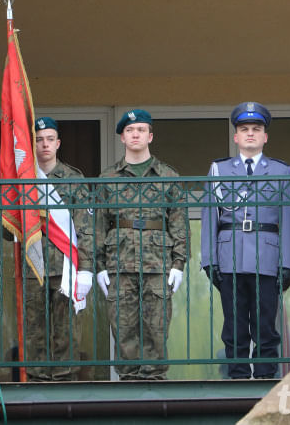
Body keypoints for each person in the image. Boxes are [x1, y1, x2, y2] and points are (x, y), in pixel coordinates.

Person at [201, 102, 290, 379]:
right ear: (236, 137)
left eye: (256, 129)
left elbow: (289, 220)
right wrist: (209, 259)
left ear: (265, 136)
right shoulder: (219, 170)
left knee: (266, 324)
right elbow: (210, 217)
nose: (251, 134)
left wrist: (287, 263)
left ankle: (267, 375)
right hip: (229, 257)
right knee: (233, 325)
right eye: (244, 129)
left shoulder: (281, 171)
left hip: (267, 259)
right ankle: (238, 375)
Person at [94, 109, 188, 380]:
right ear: (122, 137)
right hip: (119, 263)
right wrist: (99, 265)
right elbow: (99, 225)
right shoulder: (107, 178)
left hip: (158, 263)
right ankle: (129, 383)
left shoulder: (168, 176)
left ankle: (155, 381)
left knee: (157, 326)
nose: (135, 134)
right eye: (130, 131)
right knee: (123, 327)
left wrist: (179, 263)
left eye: (141, 130)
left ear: (150, 136)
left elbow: (179, 224)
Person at [24, 116, 94, 381]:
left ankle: (65, 385)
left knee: (67, 333)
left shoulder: (72, 178)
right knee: (35, 333)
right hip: (33, 266)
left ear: (58, 143)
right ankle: (36, 384)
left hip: (66, 267)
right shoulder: (24, 178)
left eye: (49, 139)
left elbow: (85, 228)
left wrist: (86, 269)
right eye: (39, 140)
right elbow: (7, 232)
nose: (44, 145)